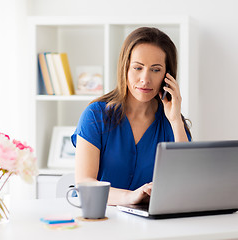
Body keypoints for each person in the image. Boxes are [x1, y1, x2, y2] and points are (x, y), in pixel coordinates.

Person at [71, 27, 191, 206]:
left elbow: (187, 184)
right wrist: (130, 197)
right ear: (125, 68)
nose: (145, 79)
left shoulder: (172, 122)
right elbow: (85, 183)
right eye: (138, 68)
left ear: (168, 76)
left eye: (156, 70)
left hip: (148, 226)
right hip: (98, 219)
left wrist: (175, 121)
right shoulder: (95, 115)